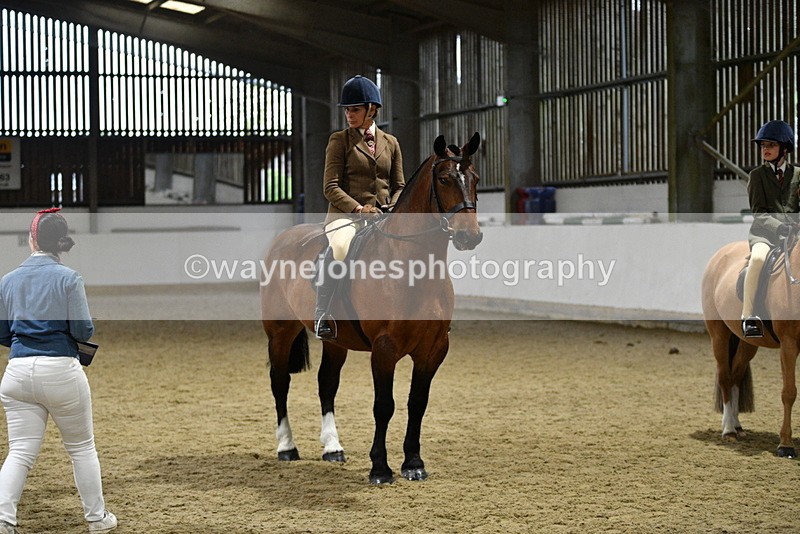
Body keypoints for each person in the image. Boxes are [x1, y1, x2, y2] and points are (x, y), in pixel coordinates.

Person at [0, 208, 117, 533]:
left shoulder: (8, 280)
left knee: (19, 452)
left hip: (17, 372)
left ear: (32, 239)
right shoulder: (69, 278)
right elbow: (83, 330)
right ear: (59, 242)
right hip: (61, 370)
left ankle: (3, 519)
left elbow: (1, 333)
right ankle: (97, 520)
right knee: (81, 449)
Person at [314, 74, 406, 340]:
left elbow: (399, 185)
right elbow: (330, 187)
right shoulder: (339, 141)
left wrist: (392, 207)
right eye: (347, 110)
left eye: (355, 109)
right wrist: (358, 209)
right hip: (345, 216)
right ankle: (323, 312)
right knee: (341, 246)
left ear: (372, 110)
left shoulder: (391, 143)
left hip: (382, 216)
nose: (349, 115)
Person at [742, 120, 800, 338]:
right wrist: (781, 228)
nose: (765, 149)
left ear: (784, 149)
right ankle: (748, 316)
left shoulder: (798, 174)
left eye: (771, 145)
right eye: (762, 146)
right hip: (765, 235)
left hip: (795, 234)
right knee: (757, 260)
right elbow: (759, 213)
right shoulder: (757, 176)